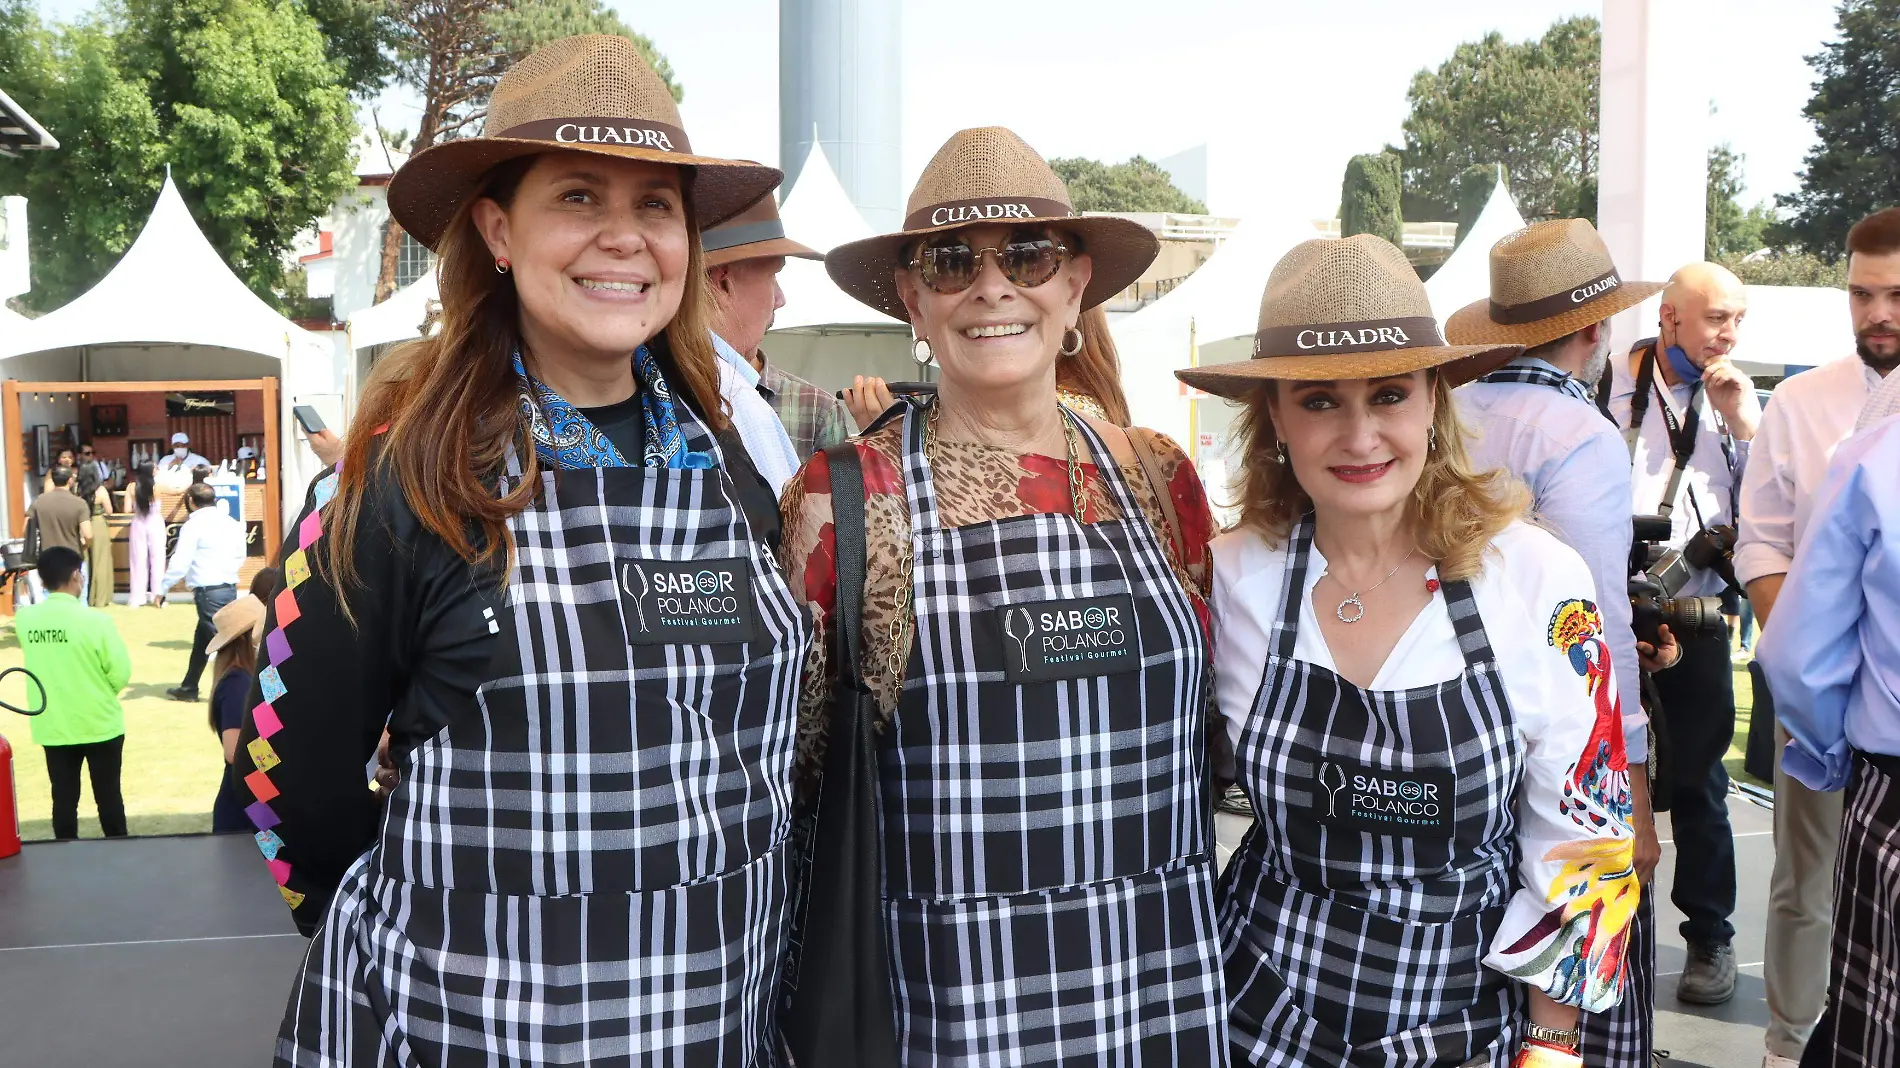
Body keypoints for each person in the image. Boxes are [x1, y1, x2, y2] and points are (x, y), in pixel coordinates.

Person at [235, 35, 803, 1064]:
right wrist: (435, 924)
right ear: (498, 228)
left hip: (717, 1014)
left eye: (655, 206)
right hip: (477, 1022)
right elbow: (290, 774)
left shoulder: (729, 469)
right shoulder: (411, 478)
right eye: (579, 198)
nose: (623, 239)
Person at [790, 126, 1224, 1062]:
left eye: (1027, 257)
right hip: (946, 1001)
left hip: (1160, 985)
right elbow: (799, 778)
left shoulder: (1158, 478)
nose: (993, 288)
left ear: (1076, 287)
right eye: (953, 263)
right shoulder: (847, 497)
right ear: (912, 297)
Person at [1182, 235, 1637, 1067]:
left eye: (1388, 395)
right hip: (1261, 1009)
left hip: (1467, 1014)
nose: (1360, 436)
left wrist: (1551, 1042)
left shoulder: (1534, 578)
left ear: (1435, 399)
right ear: (1275, 417)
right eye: (1320, 401)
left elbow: (1583, 839)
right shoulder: (1235, 573)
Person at [1446, 217, 1666, 1067]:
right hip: (1562, 754)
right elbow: (1595, 634)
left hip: (1461, 734)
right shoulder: (1577, 436)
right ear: (1593, 330)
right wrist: (1633, 795)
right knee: (1572, 994)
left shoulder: (1453, 409)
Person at [1736, 206, 1900, 1068]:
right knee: (1805, 882)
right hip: (1821, 699)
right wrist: (1796, 643)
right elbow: (1759, 536)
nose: (1878, 313)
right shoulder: (1802, 401)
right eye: (1862, 294)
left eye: (1898, 294)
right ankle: (1786, 1042)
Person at [1607, 259, 1757, 1005]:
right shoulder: (1609, 383)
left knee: (1699, 784)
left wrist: (1742, 422)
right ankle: (1609, 935)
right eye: (1715, 318)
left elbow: (1772, 506)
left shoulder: (1738, 399)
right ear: (1670, 318)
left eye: (1736, 319)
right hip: (1608, 614)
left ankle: (1709, 939)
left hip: (1694, 615)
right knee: (1600, 781)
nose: (1728, 333)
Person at [703, 194, 856, 458]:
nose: (780, 299)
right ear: (723, 282)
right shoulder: (662, 395)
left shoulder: (816, 409)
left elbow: (849, 498)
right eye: (773, 276)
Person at [15, 545, 132, 838]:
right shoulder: (96, 621)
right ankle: (121, 856)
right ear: (77, 576)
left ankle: (64, 861)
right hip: (99, 722)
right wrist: (102, 691)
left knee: (63, 801)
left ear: (42, 581)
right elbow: (120, 672)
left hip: (54, 725)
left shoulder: (27, 621)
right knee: (109, 799)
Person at [155, 482, 246, 701]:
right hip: (227, 588)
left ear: (191, 502)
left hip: (208, 591)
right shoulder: (230, 522)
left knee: (228, 647)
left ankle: (248, 691)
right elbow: (241, 554)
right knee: (203, 641)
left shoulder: (193, 525)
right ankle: (189, 687)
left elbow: (180, 562)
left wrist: (162, 588)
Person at [207, 575, 271, 834]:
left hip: (249, 799)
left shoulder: (241, 678)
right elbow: (234, 751)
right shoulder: (237, 683)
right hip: (241, 807)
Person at [24, 465, 92, 604]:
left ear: (53, 480)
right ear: (70, 480)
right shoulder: (79, 503)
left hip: (48, 558)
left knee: (50, 599)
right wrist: (85, 545)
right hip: (73, 556)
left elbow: (25, 528)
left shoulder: (39, 502)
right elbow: (88, 534)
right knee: (79, 600)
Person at [122, 462, 167, 606]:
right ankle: (158, 597)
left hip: (138, 523)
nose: (157, 470)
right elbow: (177, 490)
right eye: (155, 468)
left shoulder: (131, 487)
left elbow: (127, 510)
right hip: (155, 523)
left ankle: (137, 598)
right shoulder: (158, 487)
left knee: (137, 560)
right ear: (150, 471)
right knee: (158, 560)